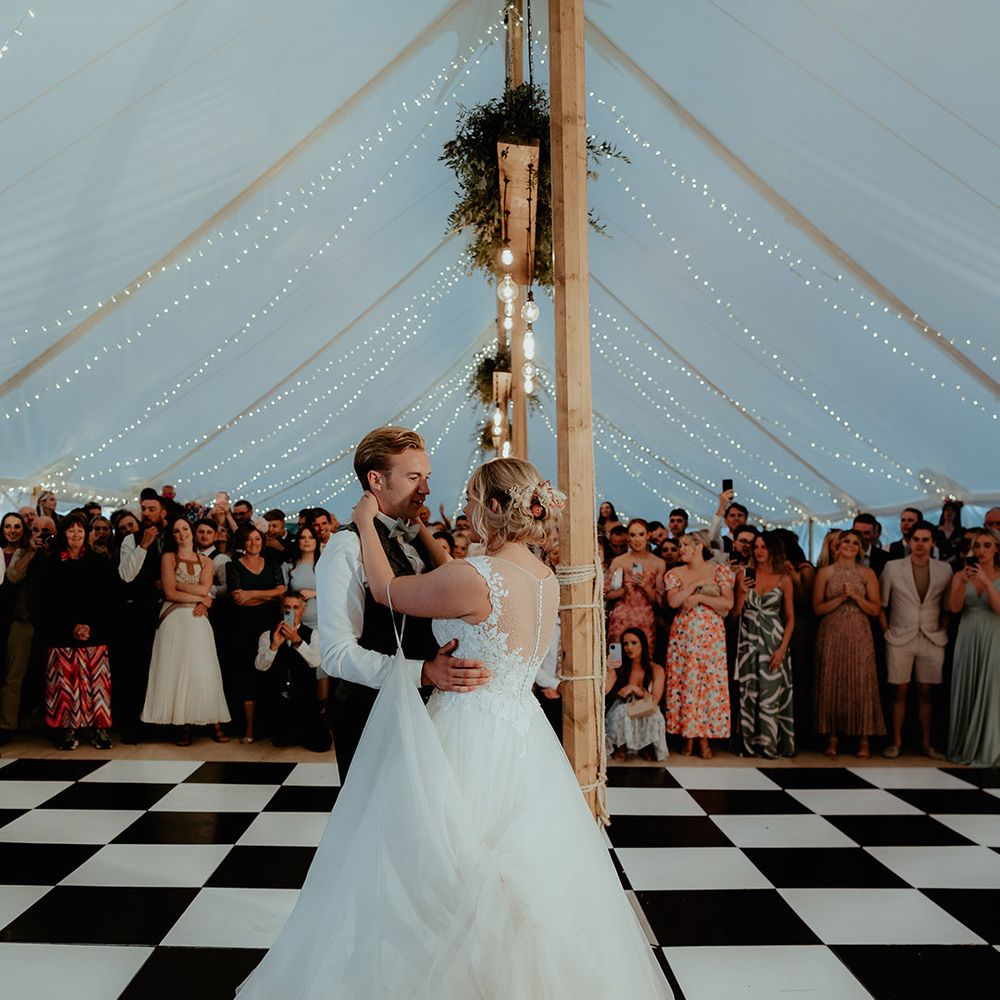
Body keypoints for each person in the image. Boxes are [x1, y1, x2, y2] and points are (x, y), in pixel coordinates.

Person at [236, 457, 671, 999]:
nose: (464, 509)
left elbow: (387, 590)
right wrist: (422, 528)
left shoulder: (474, 577)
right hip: (522, 734)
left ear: (496, 507)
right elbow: (460, 575)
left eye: (471, 499)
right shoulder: (541, 576)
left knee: (440, 865)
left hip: (467, 726)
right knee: (510, 869)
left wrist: (365, 523)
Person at [315, 426, 489, 780]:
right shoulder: (347, 546)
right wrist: (423, 672)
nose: (426, 489)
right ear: (376, 480)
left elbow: (450, 576)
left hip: (428, 707)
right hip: (371, 712)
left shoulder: (412, 535)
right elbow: (336, 654)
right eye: (413, 478)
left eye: (427, 477)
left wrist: (417, 525)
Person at [141, 517, 230, 745]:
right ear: (172, 536)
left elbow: (205, 588)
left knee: (204, 669)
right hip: (173, 617)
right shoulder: (168, 557)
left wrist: (188, 589)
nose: (182, 533)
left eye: (185, 529)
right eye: (176, 531)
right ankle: (182, 724)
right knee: (176, 669)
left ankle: (213, 720)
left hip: (198, 619)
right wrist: (202, 598)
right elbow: (170, 593)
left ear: (191, 530)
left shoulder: (207, 561)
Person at [41, 514, 115, 750]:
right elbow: (48, 601)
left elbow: (106, 598)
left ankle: (100, 729)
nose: (76, 534)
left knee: (97, 684)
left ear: (87, 534)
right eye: (71, 530)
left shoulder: (98, 561)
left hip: (94, 632)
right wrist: (71, 626)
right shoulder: (51, 563)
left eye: (80, 530)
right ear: (63, 533)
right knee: (65, 685)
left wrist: (89, 626)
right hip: (61, 633)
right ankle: (67, 730)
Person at [878, 521, 951, 760]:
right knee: (898, 690)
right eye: (916, 539)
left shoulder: (944, 570)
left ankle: (928, 743)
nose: (920, 544)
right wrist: (887, 632)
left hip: (932, 637)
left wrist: (943, 630)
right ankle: (896, 742)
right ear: (909, 541)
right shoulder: (892, 567)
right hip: (899, 637)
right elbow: (881, 604)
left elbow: (948, 607)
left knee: (927, 692)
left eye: (925, 540)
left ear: (932, 542)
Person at [813, 530, 885, 757]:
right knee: (832, 680)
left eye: (855, 543)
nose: (850, 545)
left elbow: (875, 609)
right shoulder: (825, 573)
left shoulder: (868, 574)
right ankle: (832, 737)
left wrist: (855, 596)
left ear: (860, 548)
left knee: (861, 681)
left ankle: (864, 738)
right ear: (837, 545)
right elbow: (817, 608)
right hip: (832, 629)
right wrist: (840, 598)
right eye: (846, 541)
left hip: (859, 630)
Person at [664, 529, 735, 759]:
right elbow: (674, 601)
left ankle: (705, 738)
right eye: (680, 545)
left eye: (685, 545)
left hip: (711, 638)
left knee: (709, 684)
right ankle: (687, 736)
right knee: (686, 682)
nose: (680, 549)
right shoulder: (674, 573)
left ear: (698, 547)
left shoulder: (719, 571)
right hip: (684, 637)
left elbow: (728, 603)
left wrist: (699, 597)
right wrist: (698, 583)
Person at [733, 531, 795, 758]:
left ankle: (770, 745)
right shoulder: (743, 575)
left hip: (774, 639)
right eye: (756, 546)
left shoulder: (783, 578)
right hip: (748, 640)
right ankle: (748, 745)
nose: (759, 551)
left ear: (773, 550)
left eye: (763, 547)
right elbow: (734, 614)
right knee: (748, 692)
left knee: (771, 693)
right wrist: (742, 593)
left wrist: (782, 649)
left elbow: (791, 619)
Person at [116, 489, 167, 742]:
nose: (146, 513)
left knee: (162, 667)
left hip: (168, 610)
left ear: (162, 513)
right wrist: (143, 545)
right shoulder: (131, 540)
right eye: (143, 509)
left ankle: (160, 724)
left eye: (151, 509)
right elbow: (126, 575)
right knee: (136, 669)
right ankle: (133, 725)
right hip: (138, 612)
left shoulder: (172, 537)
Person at [226, 525, 286, 742]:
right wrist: (269, 596)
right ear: (243, 542)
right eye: (249, 539)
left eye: (257, 539)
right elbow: (237, 598)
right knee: (246, 675)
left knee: (270, 672)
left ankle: (270, 726)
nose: (253, 543)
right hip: (243, 627)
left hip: (269, 625)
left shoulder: (272, 564)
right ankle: (249, 728)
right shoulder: (233, 565)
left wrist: (251, 593)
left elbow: (281, 591)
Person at [947, 528, 1000, 767]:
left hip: (994, 635)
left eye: (987, 545)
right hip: (968, 634)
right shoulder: (960, 575)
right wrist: (962, 582)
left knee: (991, 689)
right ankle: (964, 745)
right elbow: (954, 608)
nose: (981, 551)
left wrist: (987, 582)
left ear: (996, 548)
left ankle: (990, 747)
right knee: (966, 684)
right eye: (977, 546)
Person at [254, 592, 330, 752]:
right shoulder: (267, 635)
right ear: (282, 610)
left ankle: (301, 730)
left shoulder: (313, 635)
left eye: (296, 607)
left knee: (322, 744)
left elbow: (316, 661)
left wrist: (297, 641)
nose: (292, 612)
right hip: (279, 701)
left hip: (305, 699)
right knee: (280, 740)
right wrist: (274, 646)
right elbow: (260, 666)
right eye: (287, 607)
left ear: (303, 610)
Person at [605, 627, 668, 761]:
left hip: (646, 705)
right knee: (621, 711)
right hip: (623, 706)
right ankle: (621, 746)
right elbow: (605, 691)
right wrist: (610, 670)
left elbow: (654, 701)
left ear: (643, 644)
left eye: (634, 643)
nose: (629, 647)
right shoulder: (620, 668)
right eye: (625, 644)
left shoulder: (656, 669)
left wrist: (635, 688)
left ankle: (647, 746)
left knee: (655, 714)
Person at [604, 518, 665, 650]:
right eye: (633, 535)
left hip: (645, 618)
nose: (637, 539)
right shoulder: (618, 561)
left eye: (641, 534)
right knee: (616, 656)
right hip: (621, 617)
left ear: (648, 535)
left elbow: (661, 601)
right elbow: (604, 594)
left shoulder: (659, 563)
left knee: (645, 656)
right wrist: (623, 591)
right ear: (627, 537)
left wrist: (647, 587)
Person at [935, 499, 965, 567]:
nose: (949, 512)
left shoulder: (962, 532)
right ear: (943, 512)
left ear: (956, 513)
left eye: (953, 510)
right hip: (937, 564)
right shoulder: (935, 530)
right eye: (947, 509)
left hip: (956, 565)